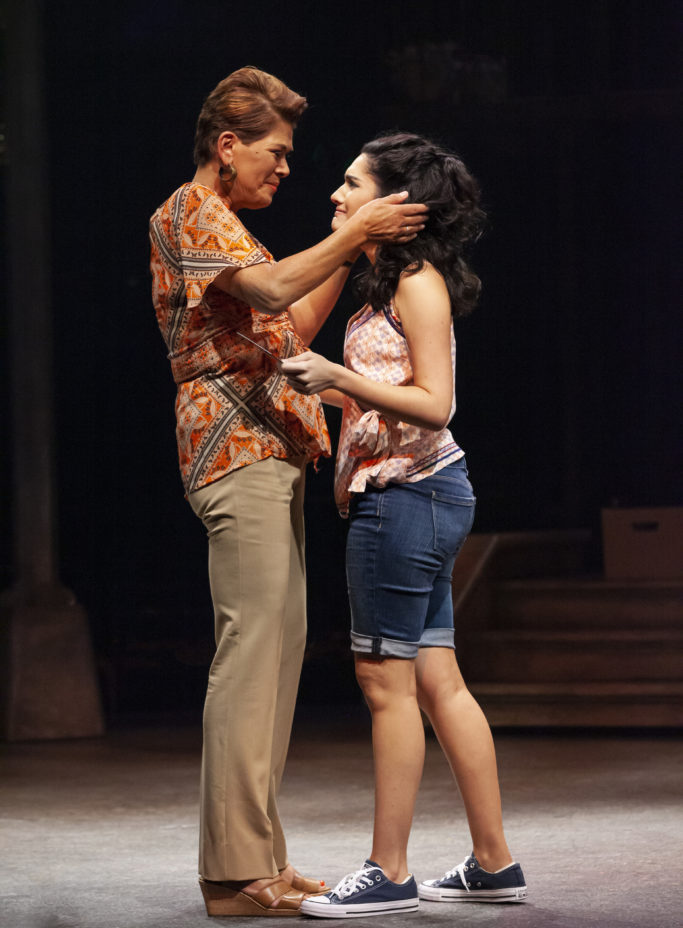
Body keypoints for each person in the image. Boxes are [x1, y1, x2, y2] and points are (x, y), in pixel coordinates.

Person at [149, 71, 426, 918]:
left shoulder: (237, 231)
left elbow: (288, 324)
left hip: (269, 451)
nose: (286, 169)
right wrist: (357, 232)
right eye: (275, 153)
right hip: (230, 451)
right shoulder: (188, 212)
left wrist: (352, 242)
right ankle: (232, 878)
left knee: (276, 657)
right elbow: (271, 292)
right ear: (227, 147)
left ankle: (258, 857)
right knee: (249, 658)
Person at [281, 132, 527, 918]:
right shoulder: (382, 280)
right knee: (435, 681)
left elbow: (435, 403)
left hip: (408, 496)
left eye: (351, 184)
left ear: (394, 202)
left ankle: (387, 871)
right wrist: (328, 388)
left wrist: (337, 376)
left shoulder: (416, 281)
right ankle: (492, 863)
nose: (335, 195)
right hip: (420, 494)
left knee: (383, 686)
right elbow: (374, 386)